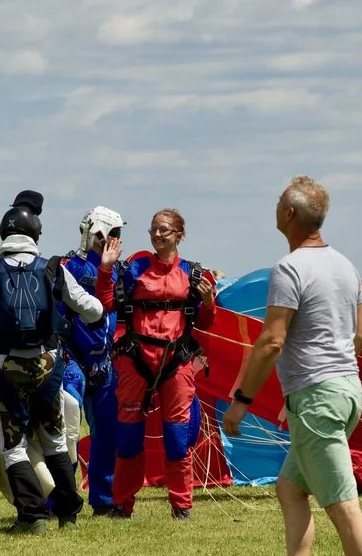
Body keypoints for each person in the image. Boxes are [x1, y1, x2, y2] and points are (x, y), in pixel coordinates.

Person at [222, 176, 362, 556]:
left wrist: (242, 400)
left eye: (278, 202)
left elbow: (272, 341)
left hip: (317, 399)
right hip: (347, 391)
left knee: (342, 506)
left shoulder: (289, 269)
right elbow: (360, 338)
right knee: (290, 487)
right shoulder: (346, 266)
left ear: (289, 213)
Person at [0, 194, 104, 535]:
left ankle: (32, 517)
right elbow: (93, 309)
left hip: (4, 367)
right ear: (35, 234)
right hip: (48, 367)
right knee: (55, 441)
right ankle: (68, 512)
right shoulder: (53, 270)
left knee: (13, 447)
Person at [96, 208, 216, 520]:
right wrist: (106, 270)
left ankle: (181, 506)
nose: (157, 234)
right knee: (128, 438)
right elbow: (107, 303)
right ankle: (122, 504)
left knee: (177, 439)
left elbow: (205, 321)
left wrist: (207, 302)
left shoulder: (193, 274)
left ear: (179, 235)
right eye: (153, 229)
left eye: (164, 229)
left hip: (176, 362)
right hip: (135, 360)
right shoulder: (134, 268)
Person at [56, 206, 125, 515]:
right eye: (108, 234)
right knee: (65, 433)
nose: (112, 240)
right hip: (71, 360)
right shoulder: (67, 268)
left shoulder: (119, 273)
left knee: (107, 433)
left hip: (105, 363)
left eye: (117, 235)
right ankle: (59, 499)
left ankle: (104, 500)